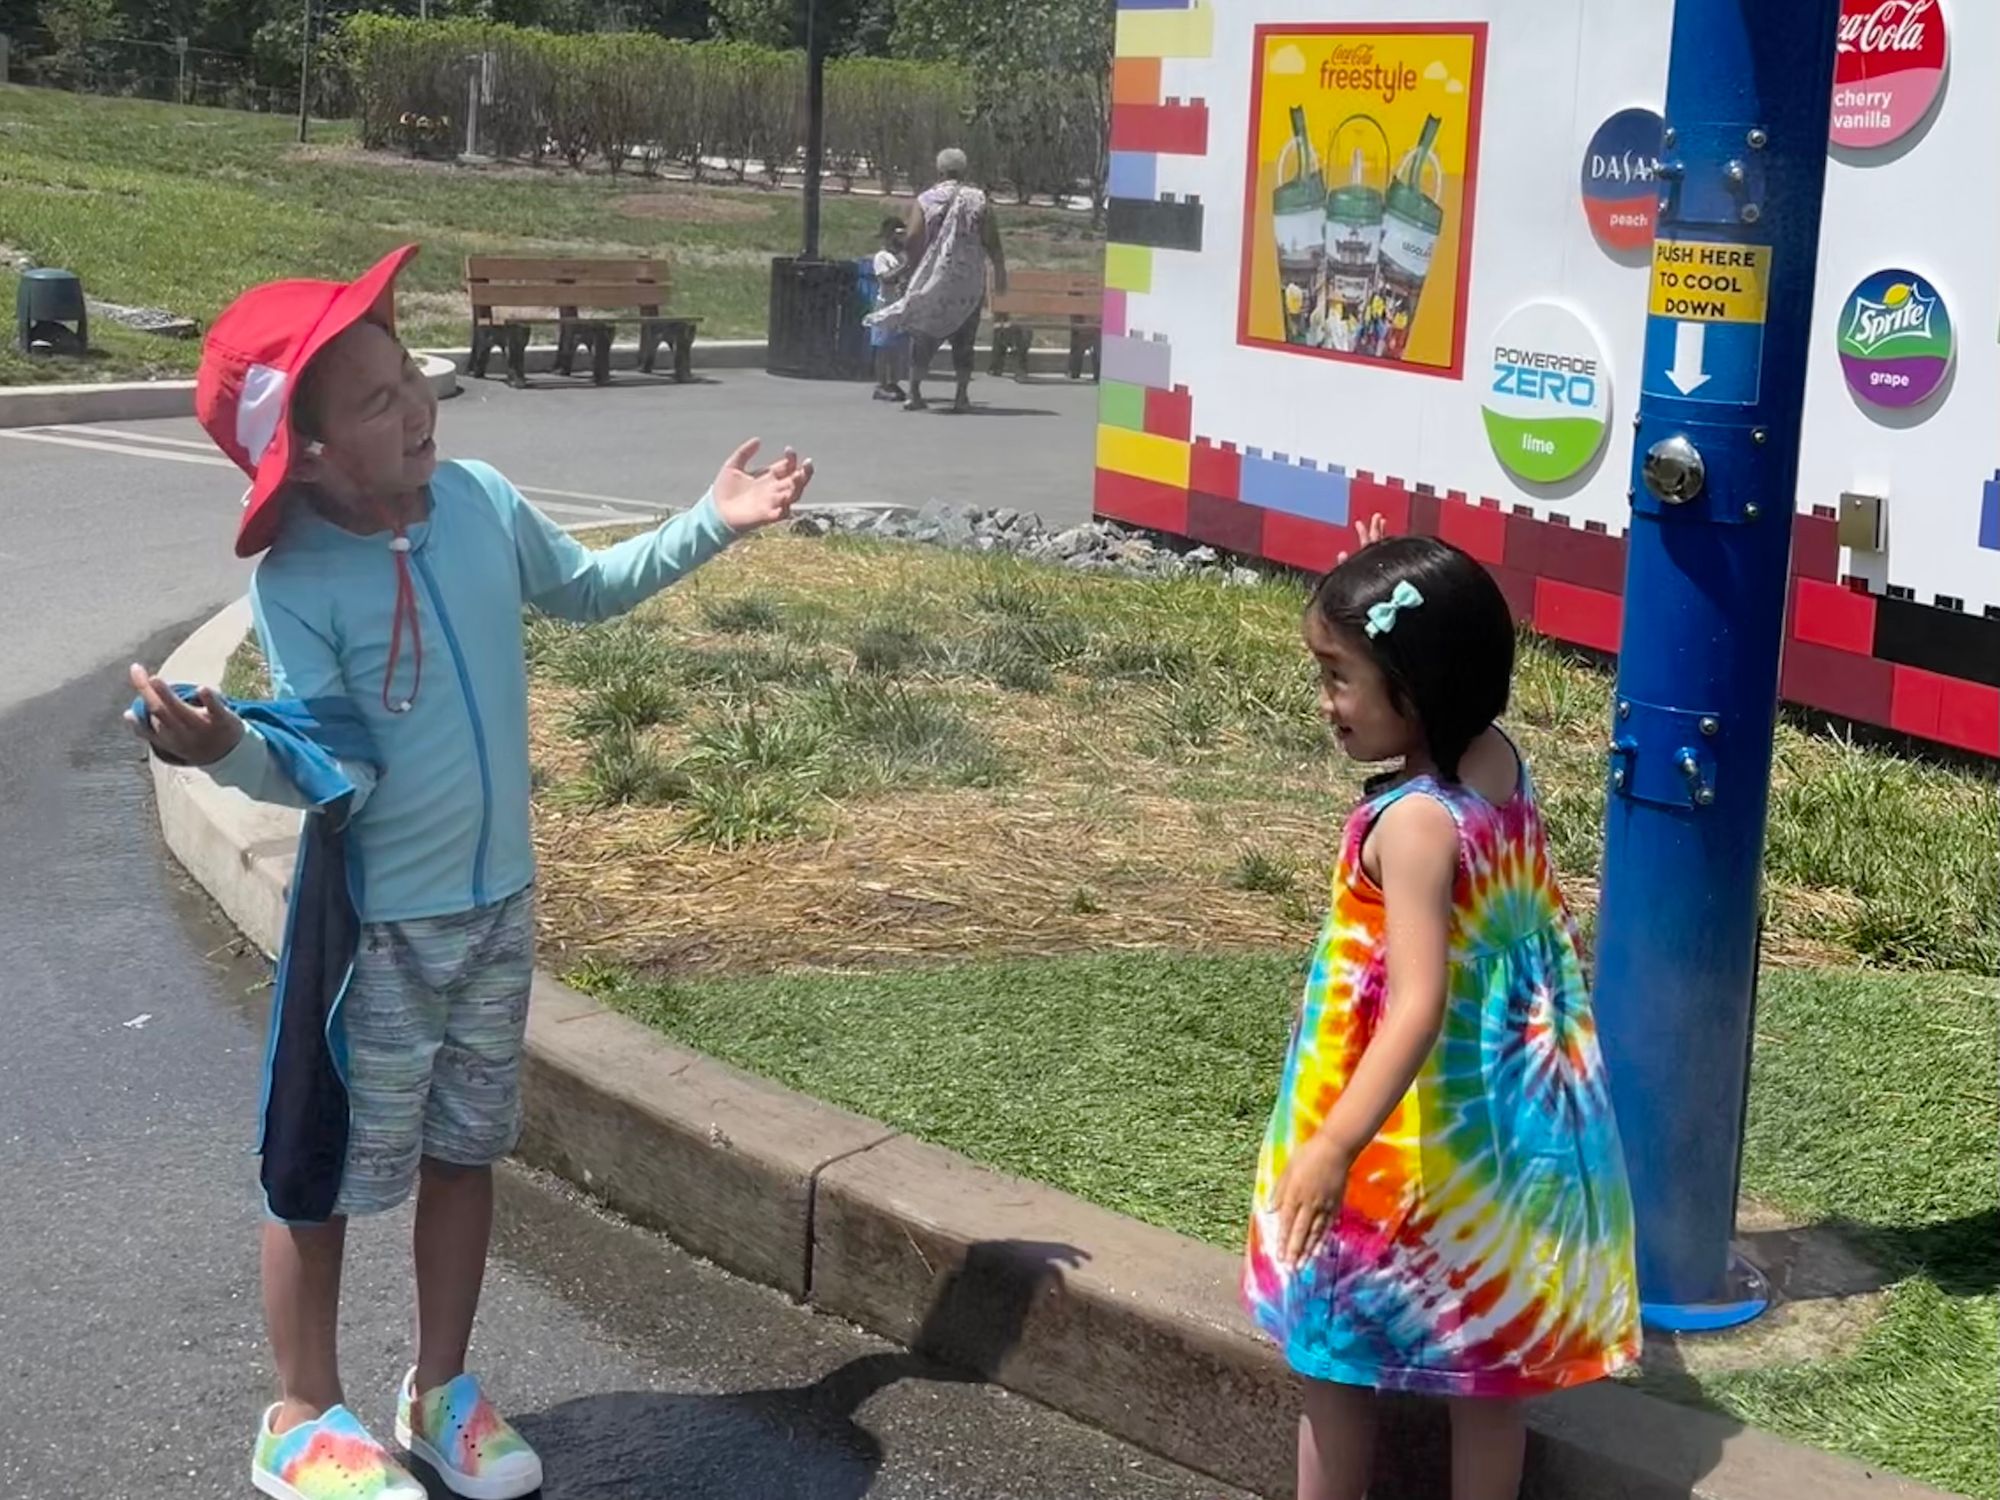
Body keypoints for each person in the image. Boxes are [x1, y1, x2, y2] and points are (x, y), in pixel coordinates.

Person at [123, 245, 812, 1500]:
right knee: (318, 1168)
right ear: (312, 454)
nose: (415, 405)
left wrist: (712, 523)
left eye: (408, 377)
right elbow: (328, 756)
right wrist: (225, 744)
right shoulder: (300, 579)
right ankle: (300, 1412)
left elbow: (591, 592)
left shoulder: (484, 499)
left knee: (464, 1148)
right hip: (378, 928)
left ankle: (442, 1388)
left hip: (497, 907)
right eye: (377, 401)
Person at [1243, 519, 1640, 1500]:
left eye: (1339, 677)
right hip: (1495, 1143)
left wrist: (1332, 1147)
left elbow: (1414, 1004)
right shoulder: (1495, 762)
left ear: (1413, 691)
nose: (1326, 703)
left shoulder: (1412, 822)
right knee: (1483, 1372)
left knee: (1332, 1360)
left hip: (1394, 1145)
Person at [865, 146, 1007, 414]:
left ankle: (915, 393)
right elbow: (993, 241)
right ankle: (961, 396)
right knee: (965, 339)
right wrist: (1000, 273)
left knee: (923, 336)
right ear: (964, 170)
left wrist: (911, 271)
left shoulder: (927, 199)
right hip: (968, 282)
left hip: (935, 280)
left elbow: (915, 239)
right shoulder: (979, 199)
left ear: (940, 171)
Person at [869, 215, 910, 403]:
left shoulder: (902, 256)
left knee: (896, 349)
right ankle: (881, 384)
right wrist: (904, 267)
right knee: (883, 348)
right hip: (885, 306)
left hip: (900, 307)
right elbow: (885, 278)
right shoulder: (882, 257)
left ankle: (894, 381)